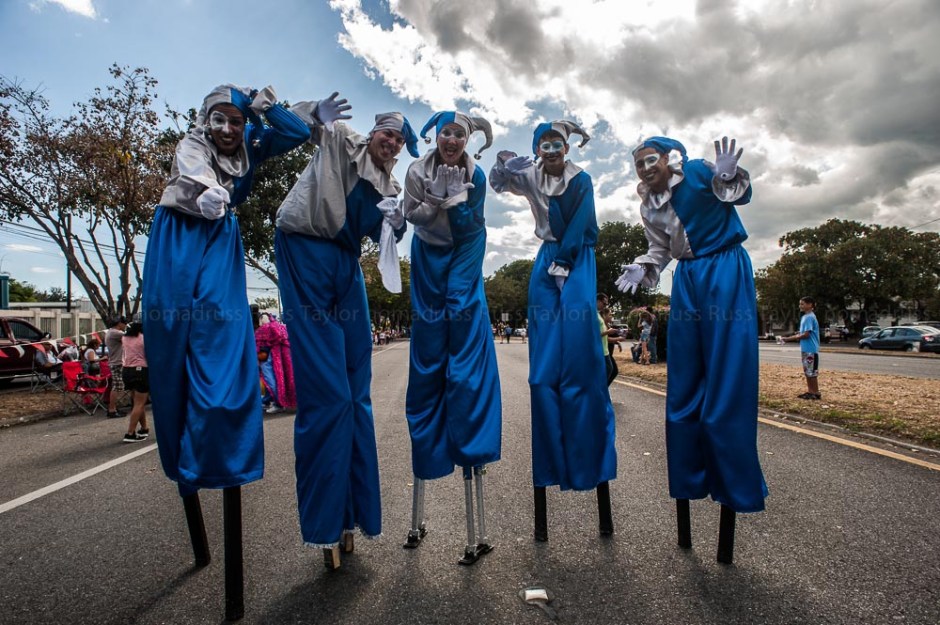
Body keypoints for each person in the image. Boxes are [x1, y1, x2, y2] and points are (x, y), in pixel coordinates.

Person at [142, 84, 310, 498]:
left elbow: (296, 135)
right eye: (220, 119)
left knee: (220, 328)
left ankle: (221, 450)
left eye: (236, 120)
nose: (228, 128)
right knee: (170, 334)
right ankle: (182, 451)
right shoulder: (192, 143)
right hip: (179, 233)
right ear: (206, 119)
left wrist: (267, 107)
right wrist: (207, 191)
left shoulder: (251, 144)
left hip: (219, 234)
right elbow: (192, 170)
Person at [275, 100, 414, 567]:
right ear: (375, 131)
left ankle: (353, 513)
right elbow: (295, 122)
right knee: (328, 393)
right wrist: (314, 110)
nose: (391, 142)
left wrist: (397, 224)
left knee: (357, 393)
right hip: (304, 246)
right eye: (388, 133)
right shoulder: (339, 137)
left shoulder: (391, 185)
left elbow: (385, 240)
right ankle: (325, 523)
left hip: (345, 261)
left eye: (399, 140)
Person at [614, 136, 767, 521]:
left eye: (651, 160)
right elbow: (660, 249)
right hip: (686, 278)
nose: (646, 168)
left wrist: (730, 176)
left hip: (724, 266)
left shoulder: (696, 171)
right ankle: (689, 479)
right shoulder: (648, 204)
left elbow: (732, 194)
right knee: (684, 376)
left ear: (667, 158)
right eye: (639, 164)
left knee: (727, 372)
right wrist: (644, 265)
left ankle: (734, 483)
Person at [490, 119, 616, 539]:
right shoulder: (532, 173)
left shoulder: (581, 179)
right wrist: (506, 163)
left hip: (578, 256)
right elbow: (496, 184)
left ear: (566, 147)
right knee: (543, 375)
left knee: (579, 358)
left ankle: (588, 451)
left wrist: (565, 259)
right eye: (543, 144)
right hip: (545, 258)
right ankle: (551, 451)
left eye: (556, 143)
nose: (550, 149)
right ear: (538, 149)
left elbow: (581, 224)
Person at [400, 110, 501, 562]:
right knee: (428, 347)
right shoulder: (417, 170)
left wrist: (457, 203)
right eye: (446, 132)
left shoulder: (475, 175)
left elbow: (470, 229)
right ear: (436, 136)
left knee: (461, 317)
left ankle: (470, 448)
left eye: (460, 134)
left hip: (464, 245)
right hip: (426, 249)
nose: (453, 139)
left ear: (466, 139)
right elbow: (412, 215)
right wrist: (437, 201)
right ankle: (418, 511)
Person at [255, 314, 296, 414]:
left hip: (266, 356)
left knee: (270, 380)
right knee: (280, 380)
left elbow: (257, 346)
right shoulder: (281, 327)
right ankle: (270, 401)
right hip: (281, 357)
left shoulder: (263, 330)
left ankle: (279, 403)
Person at [782, 296, 820, 399]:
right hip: (807, 348)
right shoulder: (806, 317)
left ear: (810, 305)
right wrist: (798, 334)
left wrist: (789, 338)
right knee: (809, 371)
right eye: (800, 304)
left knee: (811, 372)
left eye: (802, 304)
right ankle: (812, 391)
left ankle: (814, 392)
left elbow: (806, 335)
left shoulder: (809, 317)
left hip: (810, 349)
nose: (800, 306)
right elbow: (804, 332)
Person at [121, 321, 150, 443]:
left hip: (127, 370)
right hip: (141, 370)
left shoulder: (124, 338)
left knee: (137, 402)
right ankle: (130, 433)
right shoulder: (144, 339)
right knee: (139, 403)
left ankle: (144, 428)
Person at [104, 316, 128, 419]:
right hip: (117, 362)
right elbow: (130, 336)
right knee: (116, 387)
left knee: (117, 386)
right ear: (119, 323)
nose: (125, 326)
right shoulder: (116, 333)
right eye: (124, 324)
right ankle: (112, 409)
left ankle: (113, 408)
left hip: (115, 361)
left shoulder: (110, 332)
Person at [597, 293, 620, 386]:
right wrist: (608, 332)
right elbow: (593, 335)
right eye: (604, 303)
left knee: (610, 371)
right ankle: (600, 392)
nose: (605, 306)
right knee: (610, 371)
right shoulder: (595, 315)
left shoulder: (598, 315)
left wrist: (617, 340)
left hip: (604, 351)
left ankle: (601, 392)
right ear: (598, 301)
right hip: (600, 350)